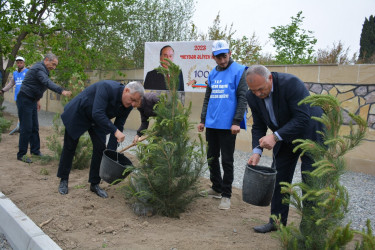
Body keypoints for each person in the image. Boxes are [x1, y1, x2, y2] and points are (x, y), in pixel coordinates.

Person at [245, 65, 324, 233]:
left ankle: (309, 230)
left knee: (310, 179)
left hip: (310, 130)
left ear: (270, 78)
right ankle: (276, 222)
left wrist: (274, 136)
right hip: (284, 133)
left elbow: (303, 117)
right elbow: (258, 125)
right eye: (254, 91)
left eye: (261, 89)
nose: (258, 95)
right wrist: (256, 151)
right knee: (280, 177)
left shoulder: (291, 84)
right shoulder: (252, 96)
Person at [57, 81, 144, 198]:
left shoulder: (128, 105)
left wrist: (111, 154)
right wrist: (115, 131)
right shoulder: (107, 87)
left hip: (98, 120)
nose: (133, 104)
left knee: (100, 149)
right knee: (70, 147)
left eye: (135, 102)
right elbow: (97, 112)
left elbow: (119, 124)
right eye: (132, 99)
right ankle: (64, 179)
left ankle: (94, 183)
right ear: (126, 91)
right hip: (80, 113)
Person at [197, 40, 248, 210]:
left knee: (227, 160)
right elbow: (207, 98)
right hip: (212, 123)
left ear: (230, 53)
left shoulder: (239, 71)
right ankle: (216, 187)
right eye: (218, 57)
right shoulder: (212, 74)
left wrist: (236, 121)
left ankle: (226, 195)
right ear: (213, 57)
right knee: (211, 157)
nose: (222, 60)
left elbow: (243, 98)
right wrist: (203, 119)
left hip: (228, 126)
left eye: (224, 56)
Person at [16, 53, 71, 163]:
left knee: (35, 127)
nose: (54, 67)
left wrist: (37, 100)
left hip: (31, 100)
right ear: (46, 60)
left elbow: (36, 85)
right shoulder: (39, 68)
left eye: (55, 65)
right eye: (53, 64)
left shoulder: (43, 70)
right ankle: (21, 154)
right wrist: (61, 90)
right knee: (26, 128)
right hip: (25, 99)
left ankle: (35, 151)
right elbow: (46, 82)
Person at [0, 56, 29, 135]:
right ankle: (20, 127)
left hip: (26, 97)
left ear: (24, 63)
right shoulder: (15, 73)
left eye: (21, 63)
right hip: (18, 97)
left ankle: (23, 128)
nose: (19, 64)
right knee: (20, 112)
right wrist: (3, 90)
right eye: (18, 63)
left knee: (25, 113)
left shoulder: (27, 72)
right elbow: (11, 84)